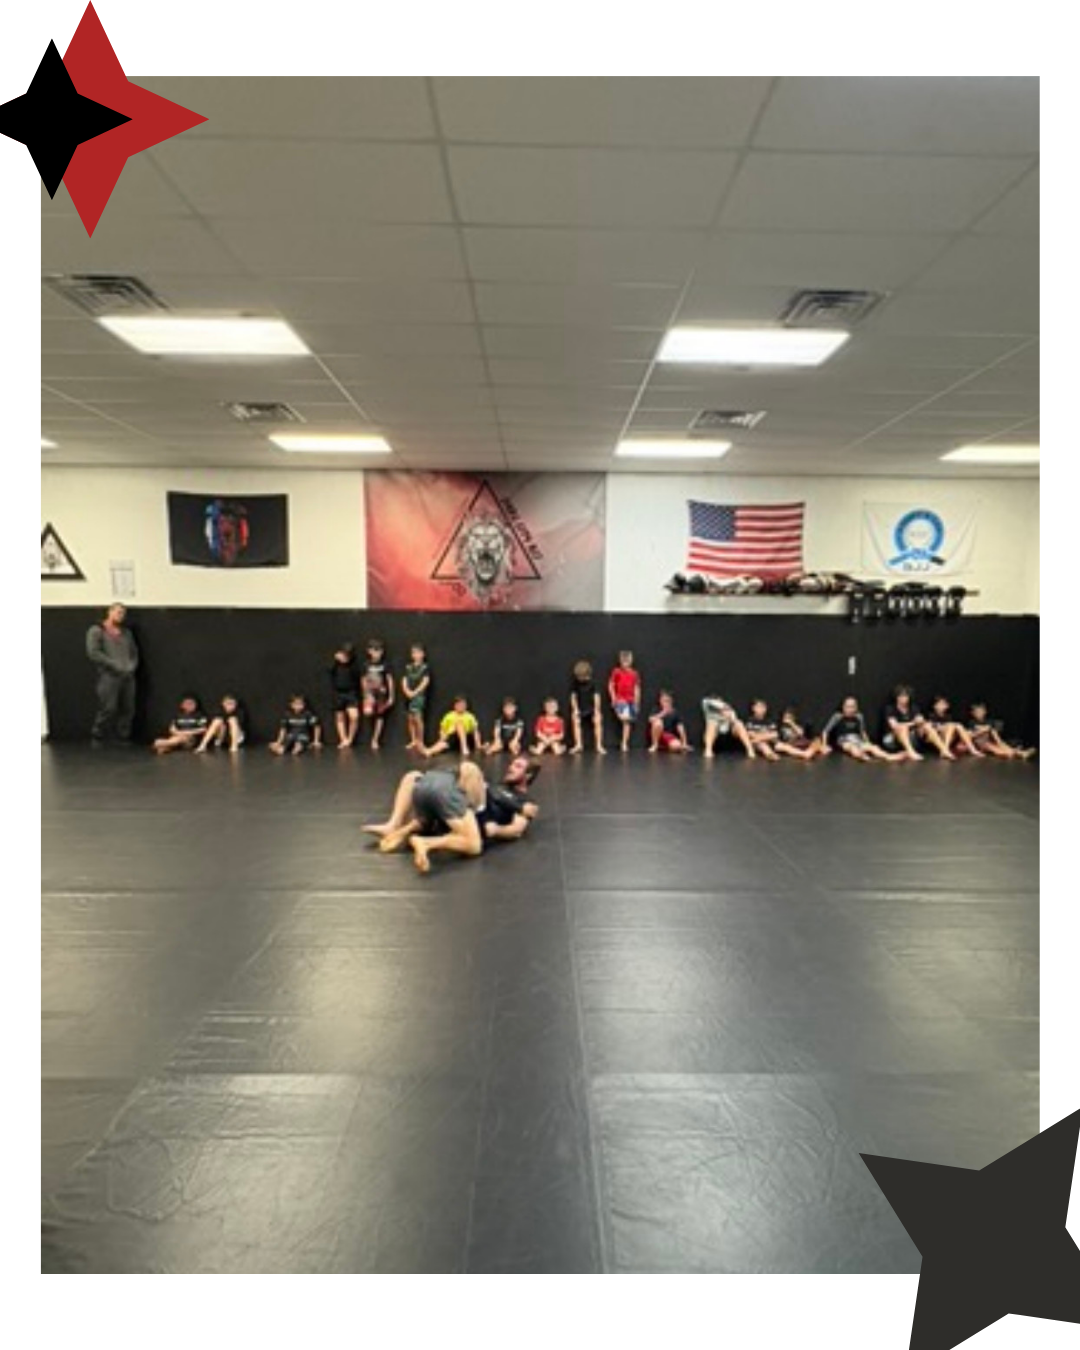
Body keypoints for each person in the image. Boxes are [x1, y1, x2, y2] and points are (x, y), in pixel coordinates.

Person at [363, 761, 486, 874]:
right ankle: (426, 843)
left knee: (412, 776)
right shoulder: (483, 789)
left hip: (424, 785)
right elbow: (470, 775)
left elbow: (428, 818)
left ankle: (394, 825)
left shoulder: (450, 775)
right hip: (446, 793)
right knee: (474, 845)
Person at [86, 603, 139, 746]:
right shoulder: (97, 631)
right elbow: (94, 653)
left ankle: (123, 735)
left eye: (123, 613)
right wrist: (113, 664)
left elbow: (134, 652)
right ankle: (99, 733)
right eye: (118, 612)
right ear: (109, 612)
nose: (120, 616)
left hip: (127, 676)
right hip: (109, 676)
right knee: (109, 707)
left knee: (128, 707)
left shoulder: (126, 633)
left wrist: (131, 666)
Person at [881, 684, 954, 761]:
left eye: (906, 696)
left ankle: (943, 750)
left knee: (927, 726)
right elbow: (894, 726)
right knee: (902, 727)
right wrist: (913, 723)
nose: (903, 699)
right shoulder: (890, 708)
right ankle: (910, 752)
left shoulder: (913, 708)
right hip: (891, 739)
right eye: (901, 696)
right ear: (896, 697)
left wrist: (919, 723)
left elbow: (920, 720)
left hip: (911, 737)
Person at [821, 696, 905, 762]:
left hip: (857, 739)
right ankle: (862, 756)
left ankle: (889, 757)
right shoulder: (838, 716)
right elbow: (826, 731)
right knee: (852, 748)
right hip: (844, 741)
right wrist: (824, 745)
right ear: (842, 707)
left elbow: (862, 731)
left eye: (853, 707)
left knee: (874, 748)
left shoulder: (859, 716)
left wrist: (867, 742)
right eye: (848, 707)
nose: (850, 709)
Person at [966, 701, 1037, 760]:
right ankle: (1018, 752)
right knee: (992, 746)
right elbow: (970, 735)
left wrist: (988, 730)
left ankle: (1019, 753)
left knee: (997, 743)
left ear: (985, 712)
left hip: (991, 741)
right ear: (972, 713)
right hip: (979, 743)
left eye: (981, 711)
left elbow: (995, 731)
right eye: (977, 712)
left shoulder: (989, 722)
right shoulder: (971, 723)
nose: (979, 713)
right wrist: (983, 730)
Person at [360, 638, 394, 750]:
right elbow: (363, 680)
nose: (377, 653)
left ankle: (375, 739)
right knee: (368, 712)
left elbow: (389, 680)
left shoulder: (385, 664)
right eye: (375, 650)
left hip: (381, 693)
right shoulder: (366, 664)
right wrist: (365, 695)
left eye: (379, 651)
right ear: (369, 651)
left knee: (380, 716)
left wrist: (391, 696)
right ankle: (371, 736)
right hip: (370, 693)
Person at [701, 694, 756, 759]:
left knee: (739, 723)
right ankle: (708, 750)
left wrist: (728, 716)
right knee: (712, 724)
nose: (718, 702)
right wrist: (723, 706)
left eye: (719, 701)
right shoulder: (708, 708)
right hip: (714, 732)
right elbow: (706, 701)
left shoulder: (730, 710)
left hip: (728, 732)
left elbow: (734, 720)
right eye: (716, 701)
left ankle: (750, 749)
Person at [569, 660, 606, 754]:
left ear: (587, 674)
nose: (579, 678)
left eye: (581, 676)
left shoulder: (593, 683)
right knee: (575, 720)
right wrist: (575, 709)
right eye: (578, 676)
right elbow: (573, 697)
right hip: (580, 707)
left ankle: (599, 745)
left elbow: (597, 696)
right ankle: (578, 745)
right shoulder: (575, 683)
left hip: (592, 707)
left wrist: (597, 710)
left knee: (597, 721)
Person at [608, 650, 641, 752]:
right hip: (620, 700)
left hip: (630, 700)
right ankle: (624, 743)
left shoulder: (634, 673)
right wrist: (613, 697)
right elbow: (611, 685)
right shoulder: (616, 671)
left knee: (627, 723)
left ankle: (624, 743)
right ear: (620, 661)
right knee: (625, 719)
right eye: (623, 660)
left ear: (631, 661)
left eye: (627, 660)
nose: (625, 662)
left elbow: (637, 688)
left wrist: (637, 701)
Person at [328, 643, 360, 749]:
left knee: (354, 716)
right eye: (344, 654)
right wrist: (335, 660)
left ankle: (350, 739)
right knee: (340, 717)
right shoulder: (335, 664)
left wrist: (348, 663)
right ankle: (343, 739)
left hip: (351, 692)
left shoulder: (354, 665)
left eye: (347, 655)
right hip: (338, 692)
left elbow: (357, 676)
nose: (345, 657)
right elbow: (329, 671)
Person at [401, 644, 431, 751]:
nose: (416, 655)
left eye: (418, 652)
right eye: (414, 653)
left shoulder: (425, 667)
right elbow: (404, 680)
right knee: (410, 719)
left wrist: (415, 692)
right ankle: (413, 740)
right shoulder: (408, 667)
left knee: (418, 718)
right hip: (408, 696)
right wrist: (406, 690)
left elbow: (425, 681)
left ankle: (420, 741)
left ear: (423, 654)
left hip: (419, 697)